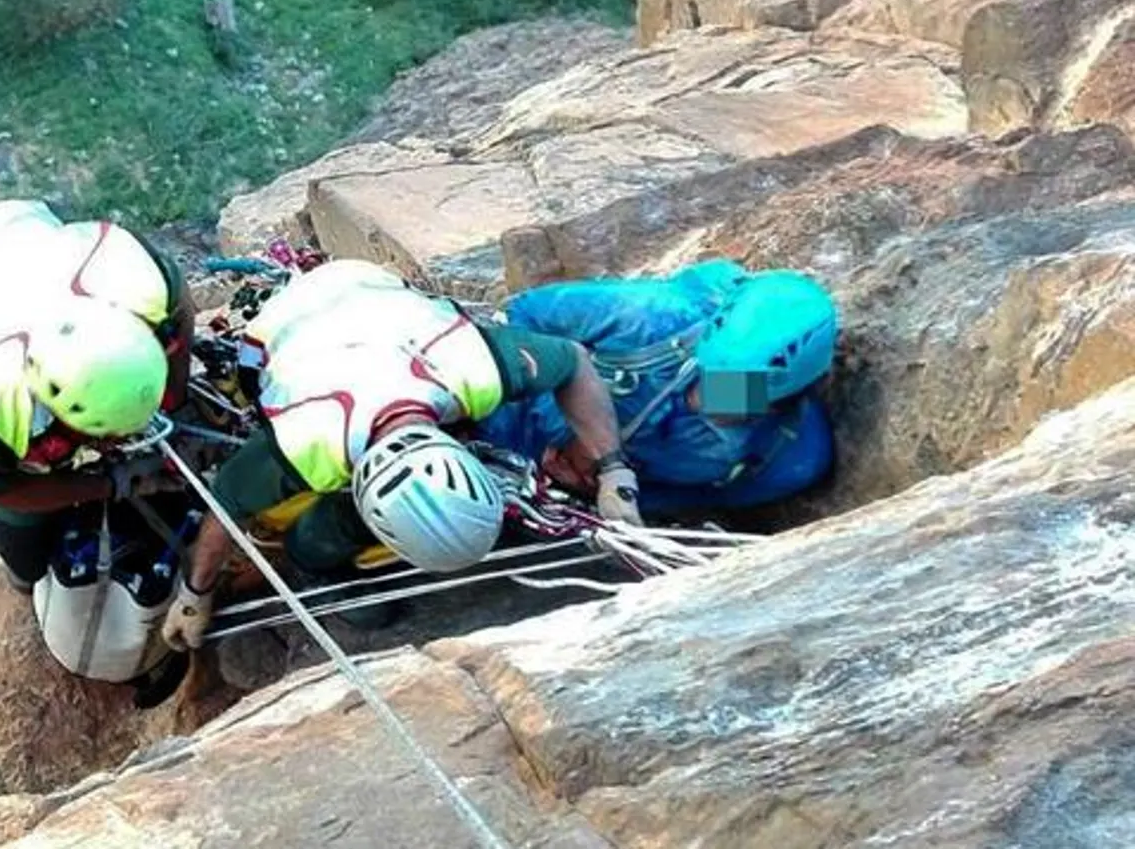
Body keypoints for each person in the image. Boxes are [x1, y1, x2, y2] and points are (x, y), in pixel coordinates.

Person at [161, 258, 635, 650]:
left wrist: (615, 470)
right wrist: (194, 593)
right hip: (280, 330)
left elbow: (572, 359)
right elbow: (227, 502)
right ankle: (320, 565)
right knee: (313, 539)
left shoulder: (472, 369)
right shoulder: (305, 444)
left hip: (370, 293)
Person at [0, 199, 197, 594]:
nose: (117, 444)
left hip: (32, 229)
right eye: (104, 436)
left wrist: (176, 402)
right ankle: (23, 577)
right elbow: (3, 489)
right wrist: (110, 484)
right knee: (26, 559)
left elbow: (180, 309)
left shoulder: (139, 280)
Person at [472, 260, 837, 520]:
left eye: (734, 389)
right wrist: (569, 428)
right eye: (708, 375)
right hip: (493, 409)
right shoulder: (651, 319)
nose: (708, 396)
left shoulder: (790, 460)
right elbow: (525, 316)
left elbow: (699, 499)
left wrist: (589, 493)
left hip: (544, 494)